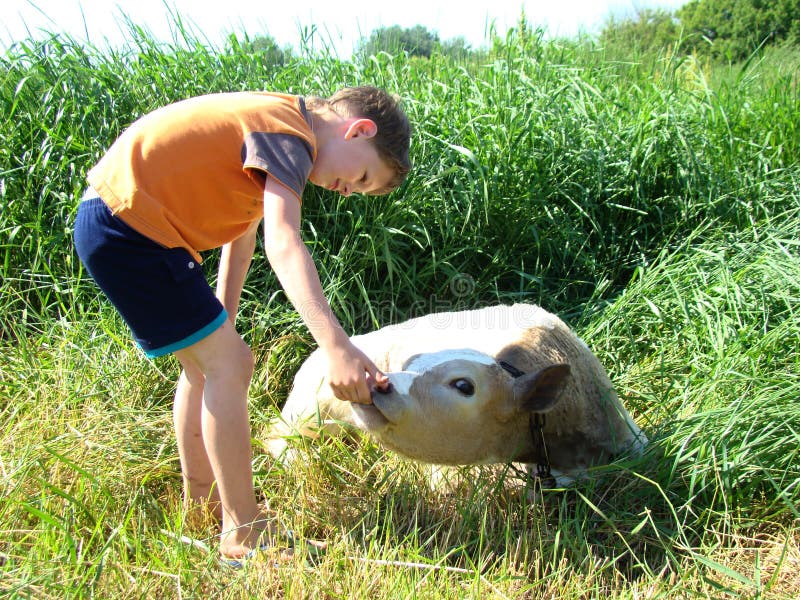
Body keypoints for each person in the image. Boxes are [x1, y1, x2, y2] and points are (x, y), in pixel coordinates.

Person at [73, 86, 412, 564]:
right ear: (358, 129)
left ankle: (204, 507)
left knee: (209, 368)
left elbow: (243, 235)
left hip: (121, 223)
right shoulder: (289, 133)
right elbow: (283, 241)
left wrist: (223, 318)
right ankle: (243, 532)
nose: (346, 190)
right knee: (229, 366)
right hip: (131, 226)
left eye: (357, 190)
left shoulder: (275, 132)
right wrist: (336, 346)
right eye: (360, 176)